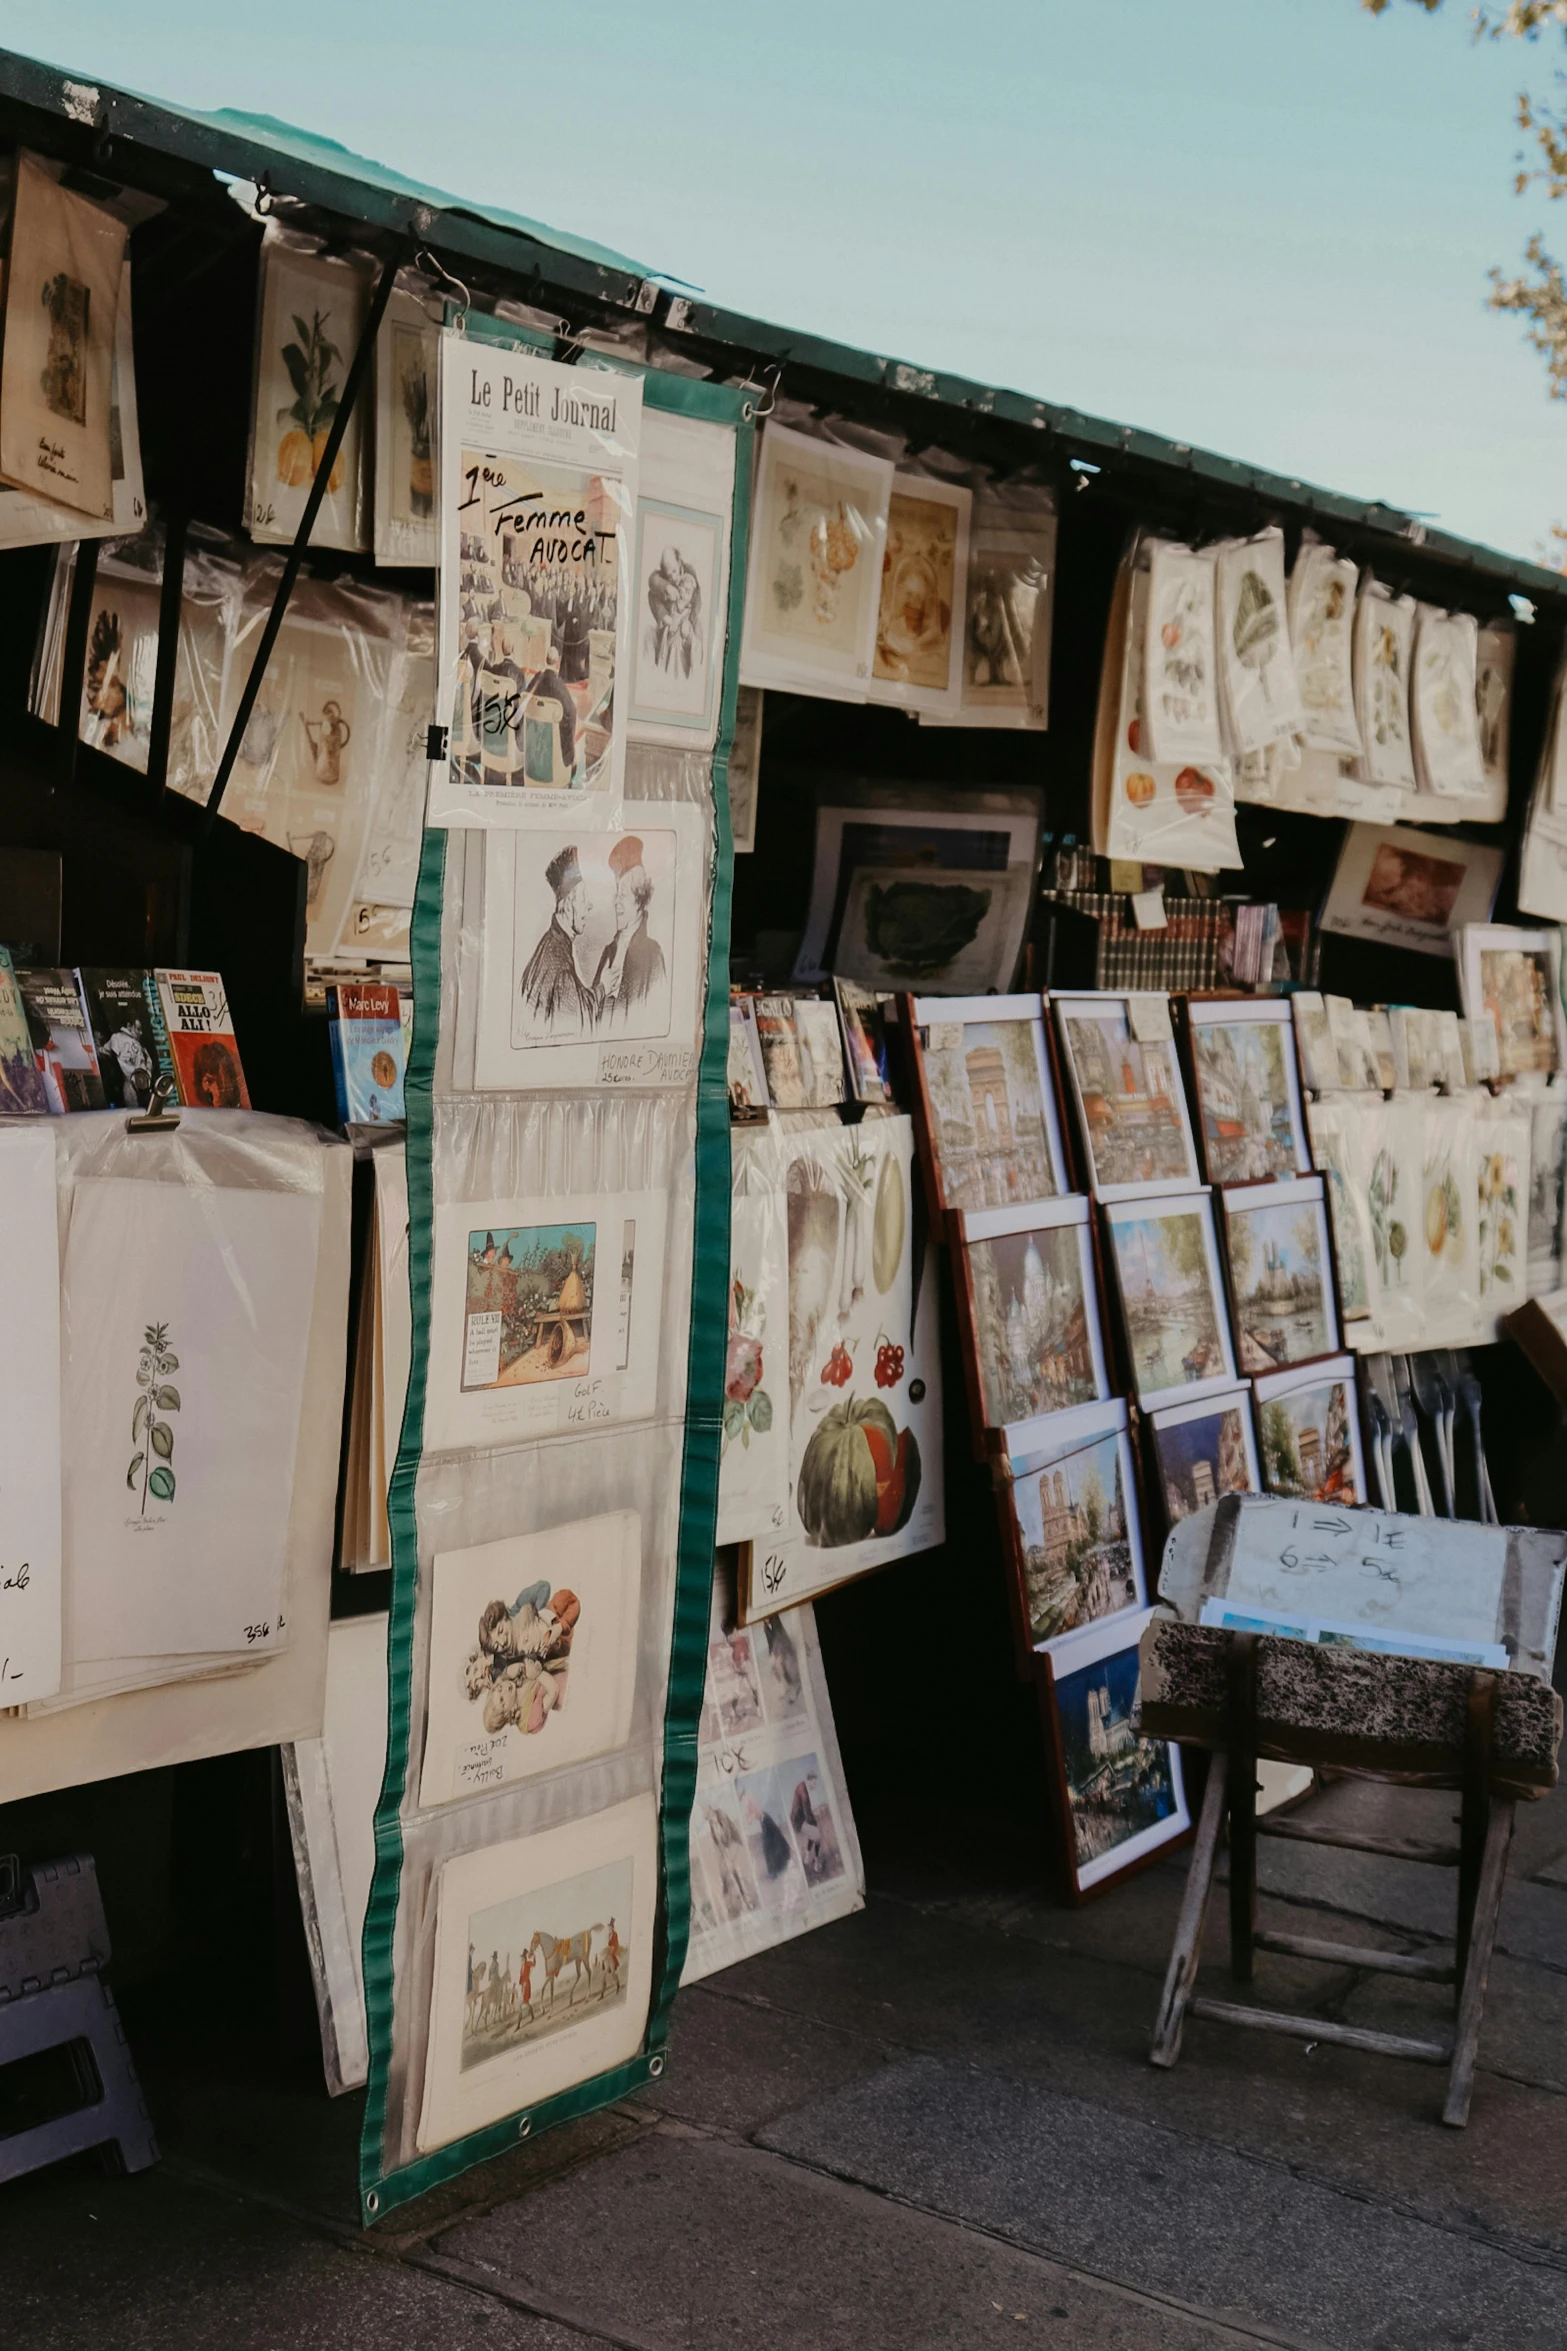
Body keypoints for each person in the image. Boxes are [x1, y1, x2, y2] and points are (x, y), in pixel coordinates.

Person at [517, 845, 597, 1033]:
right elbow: (571, 1032)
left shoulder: (549, 943)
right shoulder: (560, 968)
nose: (590, 905)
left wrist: (599, 990)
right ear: (569, 904)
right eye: (584, 898)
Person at [593, 835, 667, 1020]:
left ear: (639, 899)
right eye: (616, 894)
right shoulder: (609, 951)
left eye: (623, 894)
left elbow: (656, 1018)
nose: (616, 902)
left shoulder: (653, 955)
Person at [302, 698, 351, 787]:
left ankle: (328, 770)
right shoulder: (325, 726)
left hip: (331, 773)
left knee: (327, 757)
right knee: (322, 756)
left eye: (330, 713)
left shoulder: (336, 729)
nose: (329, 715)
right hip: (322, 770)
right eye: (328, 713)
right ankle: (323, 769)